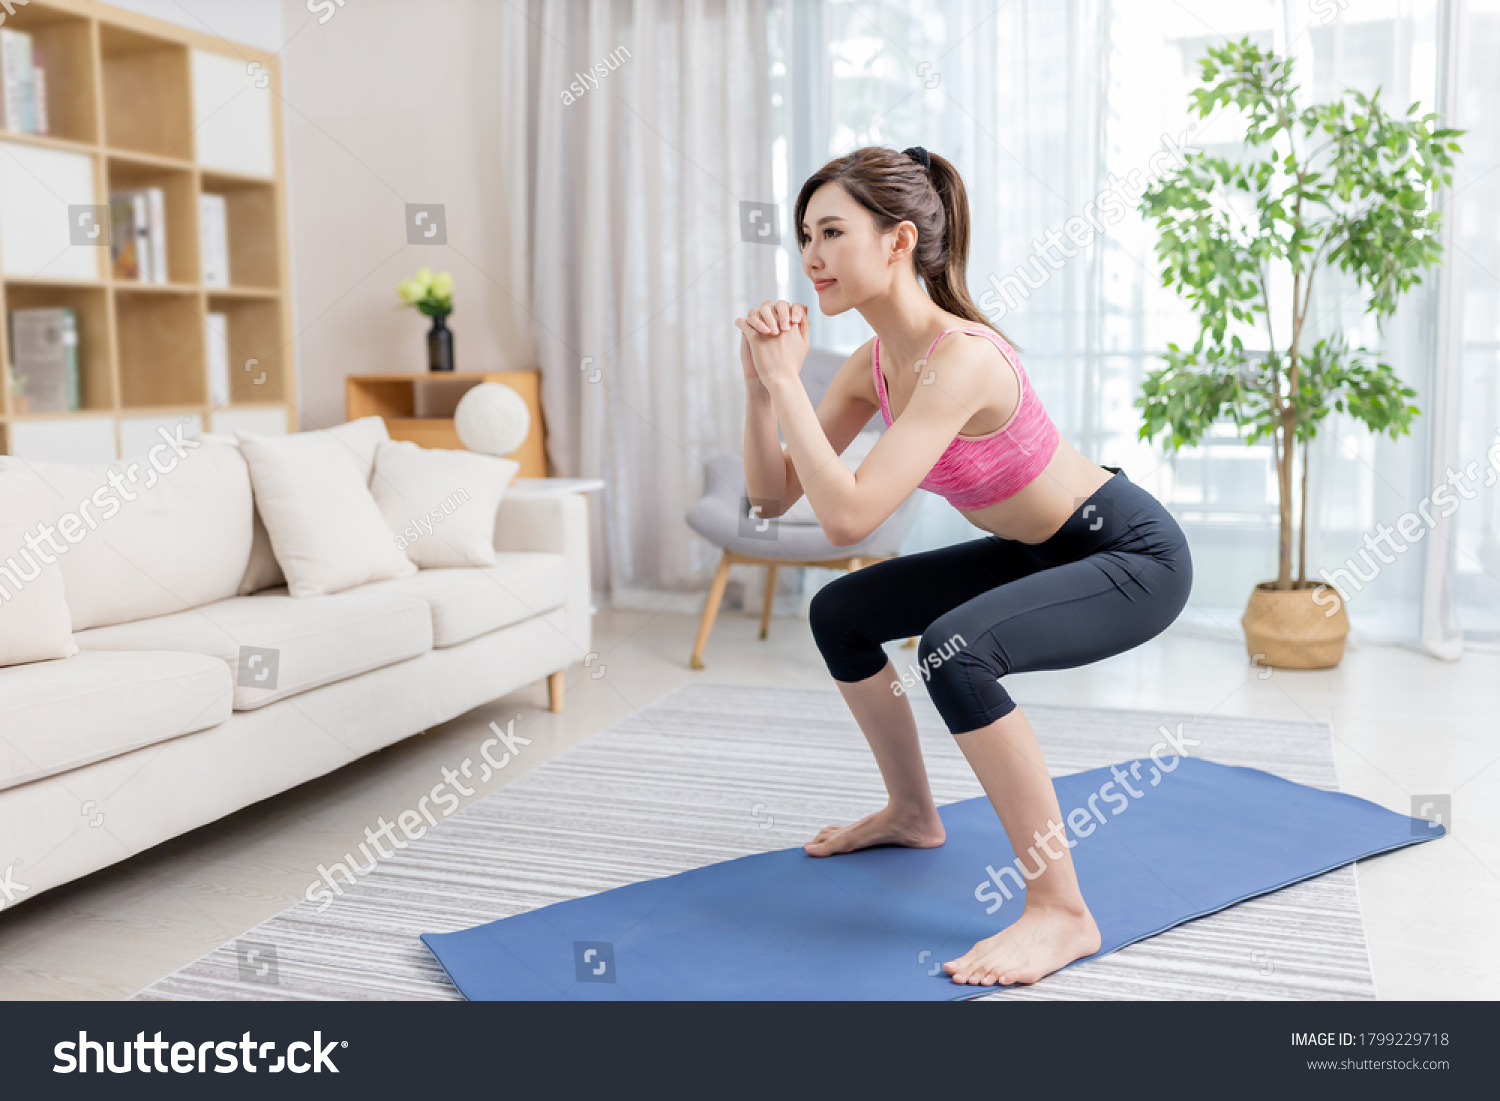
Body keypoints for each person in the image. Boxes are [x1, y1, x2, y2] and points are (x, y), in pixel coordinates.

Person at [734, 145, 1192, 988]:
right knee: (842, 614)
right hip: (1033, 549)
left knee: (955, 648)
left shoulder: (962, 357)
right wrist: (765, 388)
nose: (811, 257)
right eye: (805, 236)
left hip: (1128, 552)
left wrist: (788, 383)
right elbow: (771, 498)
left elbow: (849, 515)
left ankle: (1062, 911)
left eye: (832, 232)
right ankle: (912, 812)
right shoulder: (874, 367)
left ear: (898, 239)